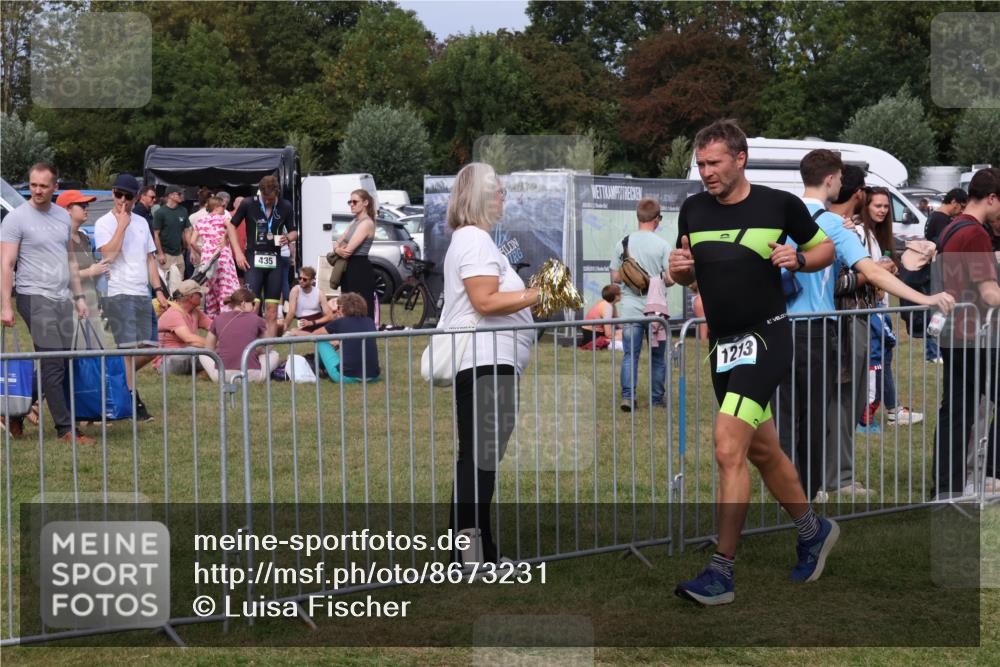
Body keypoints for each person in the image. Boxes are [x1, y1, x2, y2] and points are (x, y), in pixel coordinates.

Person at [669, 119, 837, 606]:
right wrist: (681, 274)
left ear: (740, 159)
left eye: (714, 162)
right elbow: (692, 277)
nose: (706, 173)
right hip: (722, 347)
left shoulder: (778, 204)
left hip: (766, 338)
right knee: (763, 452)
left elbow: (823, 247)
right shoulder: (693, 209)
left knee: (727, 449)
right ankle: (813, 531)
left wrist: (798, 260)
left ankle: (721, 572)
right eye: (701, 164)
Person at [436, 162, 538, 566]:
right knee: (478, 460)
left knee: (478, 459)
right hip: (486, 361)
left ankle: (472, 553)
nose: (503, 197)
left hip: (492, 361)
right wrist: (537, 294)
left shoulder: (475, 240)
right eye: (497, 190)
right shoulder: (475, 240)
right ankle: (471, 557)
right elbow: (486, 301)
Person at [0, 163, 95, 444]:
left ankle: (12, 411)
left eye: (43, 186)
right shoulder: (16, 219)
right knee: (53, 362)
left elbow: (69, 260)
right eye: (33, 185)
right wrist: (6, 305)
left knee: (60, 361)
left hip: (60, 297)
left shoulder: (62, 218)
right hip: (33, 296)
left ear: (55, 187)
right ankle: (65, 430)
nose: (38, 190)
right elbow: (6, 264)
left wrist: (79, 298)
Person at [933, 167, 1000, 499]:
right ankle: (990, 476)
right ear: (991, 198)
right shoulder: (975, 233)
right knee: (959, 412)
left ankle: (947, 486)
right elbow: (990, 294)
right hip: (974, 334)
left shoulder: (952, 227)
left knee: (957, 411)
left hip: (956, 332)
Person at [94, 173, 170, 422]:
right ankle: (130, 397)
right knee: (127, 351)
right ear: (113, 193)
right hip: (118, 292)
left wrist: (158, 290)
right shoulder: (104, 223)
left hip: (141, 292)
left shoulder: (142, 222)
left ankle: (115, 378)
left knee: (150, 348)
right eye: (118, 195)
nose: (123, 201)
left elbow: (149, 259)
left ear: (136, 198)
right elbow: (109, 255)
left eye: (128, 196)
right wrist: (122, 226)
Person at [857, 186, 922, 428]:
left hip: (880, 308)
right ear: (866, 206)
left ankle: (893, 409)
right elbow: (862, 270)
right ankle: (866, 415)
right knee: (876, 360)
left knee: (884, 358)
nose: (883, 210)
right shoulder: (858, 232)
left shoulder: (878, 234)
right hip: (867, 309)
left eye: (886, 206)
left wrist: (890, 267)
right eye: (878, 205)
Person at [610, 197, 671, 411]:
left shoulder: (622, 243)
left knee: (630, 355)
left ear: (638, 217)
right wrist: (657, 278)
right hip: (656, 311)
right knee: (657, 358)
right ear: (657, 219)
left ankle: (628, 397)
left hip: (630, 310)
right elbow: (671, 279)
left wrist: (632, 277)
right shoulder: (663, 245)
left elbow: (615, 278)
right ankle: (656, 400)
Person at [227, 175, 298, 338]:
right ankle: (248, 346)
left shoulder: (285, 206)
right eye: (265, 199)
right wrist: (238, 252)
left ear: (277, 193)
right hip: (254, 258)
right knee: (252, 307)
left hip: (276, 260)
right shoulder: (248, 203)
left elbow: (294, 231)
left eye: (271, 199)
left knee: (272, 310)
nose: (267, 202)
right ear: (260, 192)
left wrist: (289, 238)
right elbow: (231, 226)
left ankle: (269, 349)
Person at [59, 190, 110, 347]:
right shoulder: (58, 238)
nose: (86, 208)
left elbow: (89, 267)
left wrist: (100, 272)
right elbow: (60, 275)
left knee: (97, 348)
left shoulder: (84, 237)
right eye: (81, 205)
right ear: (67, 209)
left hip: (91, 301)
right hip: (71, 303)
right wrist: (90, 272)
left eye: (86, 204)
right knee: (77, 351)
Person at [199, 288, 279, 383]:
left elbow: (209, 349)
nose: (254, 308)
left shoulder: (218, 318)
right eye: (253, 304)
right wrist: (258, 351)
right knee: (274, 354)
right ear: (243, 303)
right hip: (251, 375)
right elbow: (268, 345)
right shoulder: (256, 319)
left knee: (203, 354)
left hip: (221, 376)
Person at [189, 195, 240, 317]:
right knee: (225, 286)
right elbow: (232, 227)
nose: (224, 208)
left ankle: (212, 316)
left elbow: (192, 242)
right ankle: (226, 315)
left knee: (211, 288)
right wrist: (225, 237)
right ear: (216, 207)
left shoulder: (200, 221)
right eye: (222, 206)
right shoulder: (223, 218)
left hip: (207, 257)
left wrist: (202, 252)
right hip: (222, 255)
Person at [317, 292, 380, 383]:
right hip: (373, 377)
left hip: (346, 377)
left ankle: (319, 368)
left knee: (321, 341)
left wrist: (297, 332)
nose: (337, 311)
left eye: (338, 308)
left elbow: (316, 334)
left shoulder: (341, 322)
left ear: (343, 308)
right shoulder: (370, 321)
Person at [333, 189, 377, 319]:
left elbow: (347, 251)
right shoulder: (354, 221)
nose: (351, 204)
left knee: (360, 307)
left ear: (365, 203)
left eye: (355, 201)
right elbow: (337, 243)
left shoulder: (367, 223)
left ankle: (363, 336)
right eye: (350, 202)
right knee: (346, 306)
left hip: (360, 268)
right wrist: (337, 249)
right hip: (349, 268)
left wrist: (338, 249)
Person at [154, 280, 212, 374]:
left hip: (185, 355)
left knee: (204, 352)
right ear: (191, 297)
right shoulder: (174, 313)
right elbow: (189, 339)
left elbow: (215, 327)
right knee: (198, 350)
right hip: (166, 362)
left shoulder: (195, 311)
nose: (202, 296)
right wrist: (217, 345)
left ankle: (205, 370)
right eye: (199, 294)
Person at [152, 185, 191, 296]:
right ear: (170, 195)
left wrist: (190, 249)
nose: (181, 196)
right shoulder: (160, 212)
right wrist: (160, 253)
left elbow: (186, 231)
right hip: (166, 254)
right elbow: (156, 234)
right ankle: (168, 309)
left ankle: (178, 309)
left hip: (179, 253)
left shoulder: (183, 210)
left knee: (179, 284)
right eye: (179, 194)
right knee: (167, 284)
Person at [282, 266, 335, 335]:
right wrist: (284, 327)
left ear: (312, 281)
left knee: (294, 332)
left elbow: (329, 316)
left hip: (318, 322)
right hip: (303, 323)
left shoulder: (319, 292)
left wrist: (312, 322)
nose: (301, 281)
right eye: (300, 278)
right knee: (292, 331)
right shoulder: (295, 290)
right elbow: (291, 312)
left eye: (305, 279)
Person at [579, 284, 620, 350]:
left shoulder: (610, 305)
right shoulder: (607, 306)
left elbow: (619, 324)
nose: (622, 294)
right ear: (615, 296)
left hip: (593, 334)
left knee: (624, 333)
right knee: (624, 335)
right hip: (593, 336)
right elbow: (608, 334)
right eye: (620, 293)